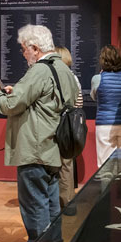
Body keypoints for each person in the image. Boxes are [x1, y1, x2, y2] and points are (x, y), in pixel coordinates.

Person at [0, 24, 79, 242]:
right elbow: (47, 101)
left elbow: (10, 106)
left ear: (35, 49)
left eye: (24, 49)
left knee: (34, 202)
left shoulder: (39, 70)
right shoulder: (62, 68)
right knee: (50, 201)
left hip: (34, 148)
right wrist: (17, 91)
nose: (23, 53)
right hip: (52, 147)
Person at [90, 44, 121, 166]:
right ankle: (120, 184)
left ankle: (106, 185)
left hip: (104, 125)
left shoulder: (97, 78)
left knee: (104, 164)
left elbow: (94, 97)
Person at [54, 46, 83, 214]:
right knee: (67, 164)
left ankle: (58, 203)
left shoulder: (55, 78)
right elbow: (79, 104)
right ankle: (69, 201)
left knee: (58, 164)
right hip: (71, 127)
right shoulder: (74, 78)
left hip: (57, 126)